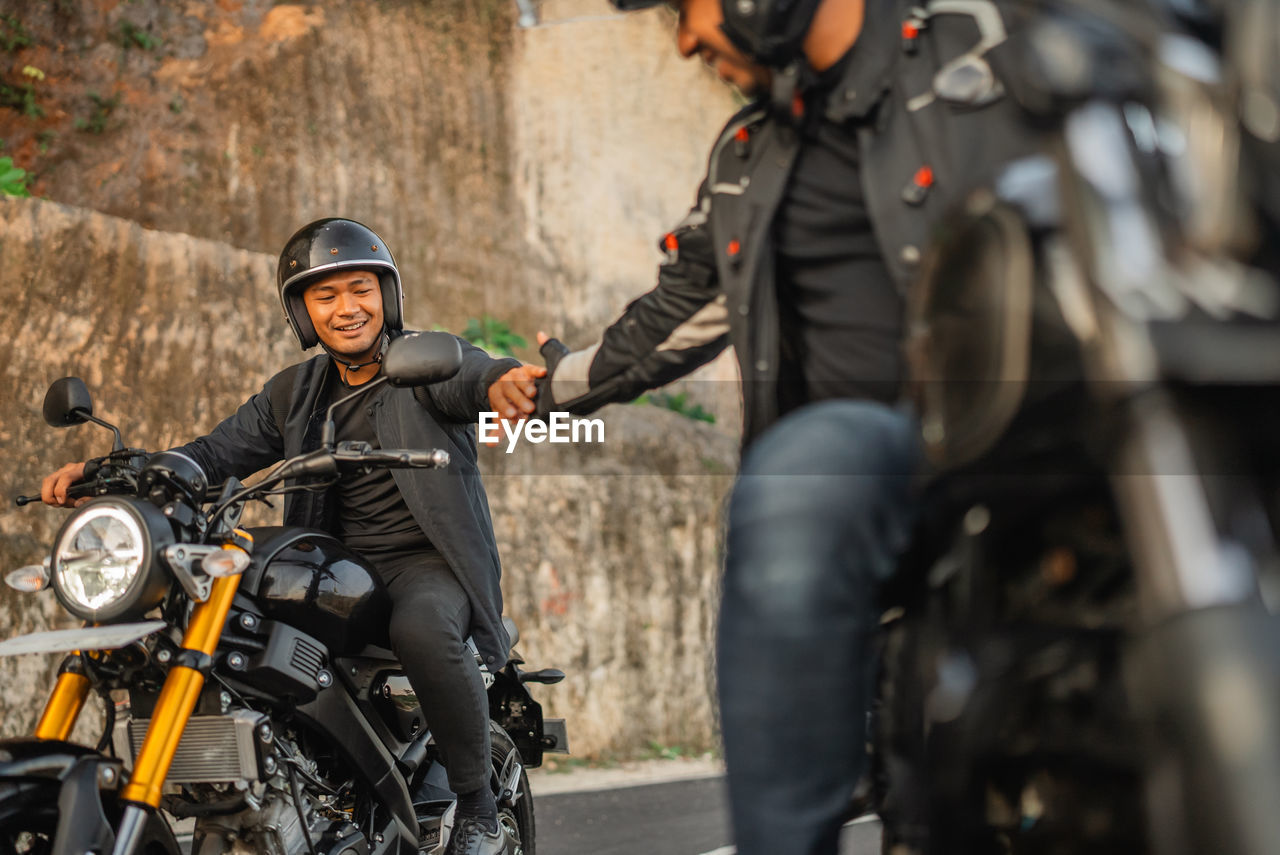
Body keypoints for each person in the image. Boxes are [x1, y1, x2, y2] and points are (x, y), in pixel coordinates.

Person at [502, 0, 1041, 852]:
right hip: (871, 484)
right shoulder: (750, 156)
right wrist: (552, 384)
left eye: (686, 9)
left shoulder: (993, 49)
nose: (681, 41)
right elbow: (684, 308)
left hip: (1051, 441)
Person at [42, 217, 545, 855]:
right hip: (336, 570)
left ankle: (477, 809)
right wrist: (108, 471)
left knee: (421, 628)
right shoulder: (294, 392)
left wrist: (502, 383)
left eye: (359, 289)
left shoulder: (422, 364)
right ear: (303, 312)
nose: (346, 308)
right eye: (325, 296)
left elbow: (474, 374)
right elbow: (213, 453)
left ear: (386, 295)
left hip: (425, 564)